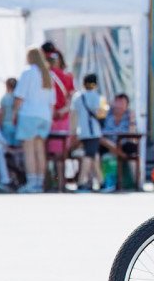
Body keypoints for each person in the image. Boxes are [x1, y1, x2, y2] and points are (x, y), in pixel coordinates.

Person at [12, 47, 55, 192]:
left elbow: (19, 96)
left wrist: (13, 114)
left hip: (29, 114)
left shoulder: (28, 72)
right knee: (39, 149)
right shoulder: (48, 74)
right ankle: (39, 182)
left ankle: (31, 182)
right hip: (45, 116)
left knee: (29, 150)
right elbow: (52, 102)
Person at [42, 42, 75, 191]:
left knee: (46, 152)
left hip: (48, 117)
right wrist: (63, 110)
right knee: (61, 154)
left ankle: (48, 183)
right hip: (63, 117)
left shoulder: (43, 76)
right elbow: (71, 98)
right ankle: (61, 182)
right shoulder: (67, 76)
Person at [72, 73, 105, 192]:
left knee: (94, 155)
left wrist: (73, 131)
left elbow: (73, 115)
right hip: (93, 131)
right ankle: (82, 181)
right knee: (89, 155)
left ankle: (100, 181)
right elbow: (101, 114)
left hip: (82, 131)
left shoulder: (77, 97)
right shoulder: (97, 97)